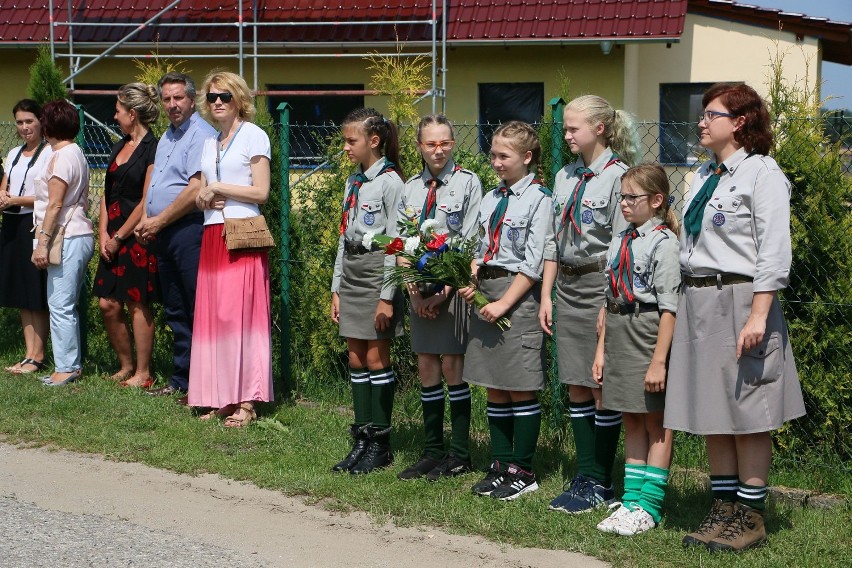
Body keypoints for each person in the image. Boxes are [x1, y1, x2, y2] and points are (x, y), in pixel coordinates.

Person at [666, 83, 806, 552]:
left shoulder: (761, 173)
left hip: (742, 300)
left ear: (740, 122)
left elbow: (773, 252)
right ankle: (722, 509)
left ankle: (750, 515)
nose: (701, 122)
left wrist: (758, 316)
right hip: (700, 299)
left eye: (711, 114)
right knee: (713, 410)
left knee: (748, 412)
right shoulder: (706, 174)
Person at [540, 95, 640, 514]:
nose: (565, 135)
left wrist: (608, 303)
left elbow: (623, 245)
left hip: (602, 287)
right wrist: (546, 294)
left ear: (599, 128)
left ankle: (601, 480)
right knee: (577, 383)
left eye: (572, 128)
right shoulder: (565, 176)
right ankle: (584, 476)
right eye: (564, 128)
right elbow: (551, 239)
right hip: (567, 285)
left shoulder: (620, 178)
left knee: (601, 387)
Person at [458, 121, 552, 500]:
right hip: (488, 294)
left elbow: (533, 262)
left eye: (503, 156)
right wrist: (472, 277)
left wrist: (503, 304)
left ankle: (523, 469)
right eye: (493, 154)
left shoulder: (539, 199)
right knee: (494, 385)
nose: (495, 162)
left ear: (526, 158)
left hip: (516, 298)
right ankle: (499, 464)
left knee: (519, 386)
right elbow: (483, 245)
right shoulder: (492, 198)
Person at [591, 164, 680, 535]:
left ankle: (650, 505)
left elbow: (669, 307)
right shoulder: (620, 239)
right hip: (618, 330)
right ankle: (631, 501)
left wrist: (659, 361)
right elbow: (609, 298)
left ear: (656, 201)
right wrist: (600, 350)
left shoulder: (664, 243)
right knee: (631, 417)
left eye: (632, 197)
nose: (624, 204)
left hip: (647, 332)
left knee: (655, 421)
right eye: (621, 197)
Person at [396, 114, 482, 481]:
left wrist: (445, 292)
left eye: (445, 142)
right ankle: (432, 451)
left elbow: (471, 239)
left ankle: (459, 453)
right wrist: (411, 289)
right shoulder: (411, 187)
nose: (438, 149)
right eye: (430, 143)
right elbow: (400, 241)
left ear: (453, 143)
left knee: (452, 367)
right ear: (419, 146)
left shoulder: (467, 183)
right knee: (427, 367)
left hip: (454, 289)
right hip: (420, 292)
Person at [189, 70, 273, 428]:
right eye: (212, 97)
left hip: (243, 233)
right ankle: (220, 395)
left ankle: (247, 401)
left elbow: (261, 192)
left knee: (242, 318)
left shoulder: (254, 135)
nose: (218, 102)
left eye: (224, 96)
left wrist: (220, 188)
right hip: (212, 233)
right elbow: (203, 194)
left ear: (239, 99)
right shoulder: (209, 143)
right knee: (215, 320)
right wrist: (203, 198)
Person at [330, 107, 405, 474]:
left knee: (376, 359)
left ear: (373, 142)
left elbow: (396, 243)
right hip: (353, 274)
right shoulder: (353, 181)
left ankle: (380, 441)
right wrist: (337, 288)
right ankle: (360, 437)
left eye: (351, 141)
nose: (346, 147)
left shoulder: (391, 182)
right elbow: (344, 238)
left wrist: (387, 297)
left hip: (378, 273)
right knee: (356, 358)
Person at [135, 72, 216, 401]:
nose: (172, 105)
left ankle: (203, 383)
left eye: (178, 98)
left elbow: (195, 187)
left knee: (197, 308)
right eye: (166, 99)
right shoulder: (167, 136)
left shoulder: (200, 134)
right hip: (164, 232)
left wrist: (158, 221)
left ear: (191, 99)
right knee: (175, 308)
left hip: (188, 230)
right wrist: (145, 218)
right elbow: (156, 182)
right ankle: (182, 379)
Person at [92, 83, 159, 388]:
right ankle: (126, 365)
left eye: (118, 110)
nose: (114, 116)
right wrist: (103, 230)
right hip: (112, 233)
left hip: (135, 235)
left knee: (137, 302)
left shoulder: (152, 148)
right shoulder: (119, 145)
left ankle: (143, 373)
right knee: (107, 303)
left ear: (132, 113)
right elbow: (108, 194)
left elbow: (146, 200)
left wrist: (119, 236)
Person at [31, 100, 95, 386]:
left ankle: (67, 367)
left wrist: (42, 243)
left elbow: (55, 204)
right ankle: (69, 364)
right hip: (76, 233)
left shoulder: (62, 156)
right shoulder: (73, 152)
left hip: (67, 235)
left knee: (60, 304)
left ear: (48, 126)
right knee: (64, 304)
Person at [0, 99, 52, 375]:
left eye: (29, 121)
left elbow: (47, 197)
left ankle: (39, 354)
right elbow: (5, 185)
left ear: (41, 121)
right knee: (20, 292)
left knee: (35, 292)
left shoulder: (48, 153)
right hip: (11, 225)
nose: (24, 127)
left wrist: (15, 199)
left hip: (32, 225)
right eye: (19, 122)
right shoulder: (13, 153)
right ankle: (28, 352)